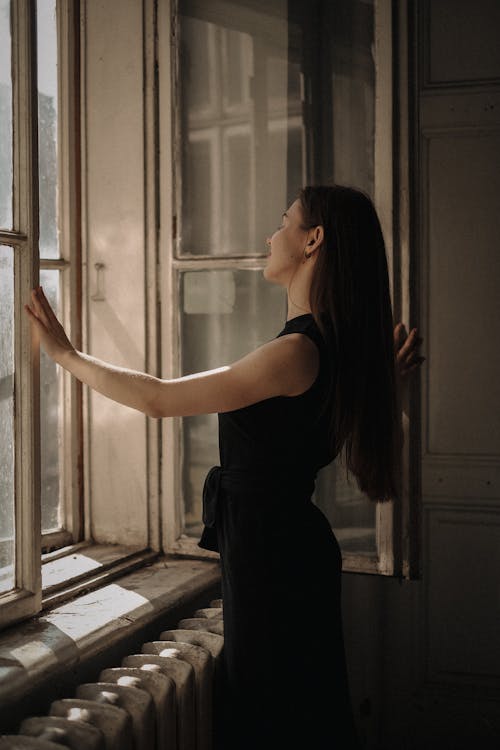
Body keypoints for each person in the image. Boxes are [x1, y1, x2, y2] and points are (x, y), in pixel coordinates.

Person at [25, 184, 424, 749]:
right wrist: (390, 384)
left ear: (313, 240)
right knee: (295, 712)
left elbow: (158, 399)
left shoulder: (298, 352)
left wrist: (66, 356)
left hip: (275, 555)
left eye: (282, 222)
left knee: (273, 716)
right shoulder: (330, 349)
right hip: (283, 548)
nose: (269, 236)